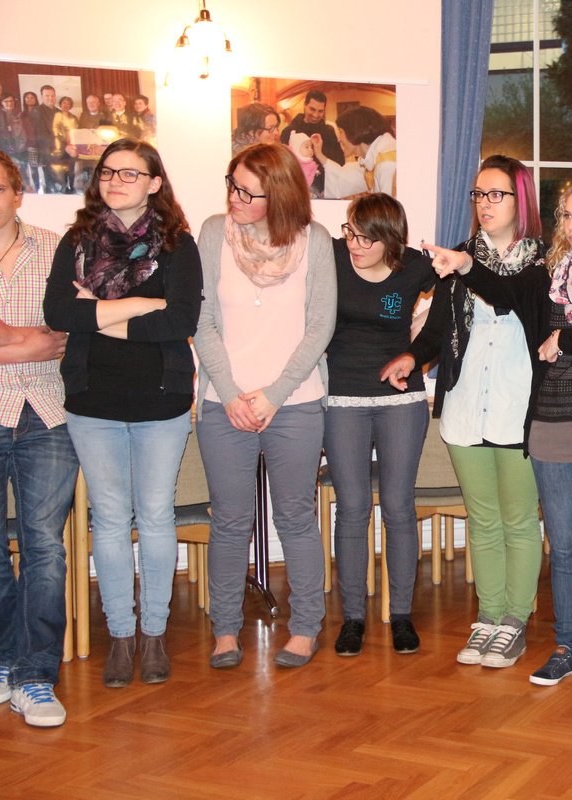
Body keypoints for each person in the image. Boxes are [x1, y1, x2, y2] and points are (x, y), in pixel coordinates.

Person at [428, 178, 572, 692]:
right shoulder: (550, 274)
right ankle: (567, 648)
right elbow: (504, 293)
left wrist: (563, 339)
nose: (571, 225)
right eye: (566, 215)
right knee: (565, 547)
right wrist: (464, 265)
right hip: (551, 425)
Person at [42, 138, 200, 688]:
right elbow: (58, 313)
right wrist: (139, 304)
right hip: (93, 398)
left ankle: (153, 634)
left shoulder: (178, 246)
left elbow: (180, 321)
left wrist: (99, 312)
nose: (115, 181)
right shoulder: (77, 242)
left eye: (130, 174)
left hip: (161, 397)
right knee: (109, 519)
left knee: (155, 516)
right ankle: (121, 636)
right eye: (109, 172)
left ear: (154, 183)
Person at [382, 155, 545, 670]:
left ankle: (515, 619)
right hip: (467, 405)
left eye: (496, 194)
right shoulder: (460, 258)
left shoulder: (544, 262)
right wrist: (414, 356)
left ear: (521, 199)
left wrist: (468, 267)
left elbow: (512, 299)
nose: (484, 203)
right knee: (484, 519)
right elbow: (438, 329)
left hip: (522, 408)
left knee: (520, 520)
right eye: (478, 194)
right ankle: (489, 616)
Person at [194, 143, 335, 670]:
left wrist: (274, 394)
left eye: (248, 192)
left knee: (296, 518)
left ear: (278, 195)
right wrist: (231, 393)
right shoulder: (214, 233)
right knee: (230, 522)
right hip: (224, 404)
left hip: (294, 403)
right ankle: (225, 630)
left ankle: (306, 627)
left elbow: (320, 326)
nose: (235, 198)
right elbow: (201, 320)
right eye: (232, 185)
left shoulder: (314, 241)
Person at [325, 194, 434, 657]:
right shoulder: (330, 255)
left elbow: (458, 295)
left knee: (398, 506)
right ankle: (353, 617)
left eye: (366, 239)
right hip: (341, 397)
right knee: (352, 508)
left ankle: (401, 615)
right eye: (350, 232)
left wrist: (420, 346)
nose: (354, 245)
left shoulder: (414, 266)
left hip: (401, 400)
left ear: (390, 240)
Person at [0, 149, 76, 727]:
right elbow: (43, 340)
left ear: (17, 193)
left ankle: (35, 676)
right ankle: (3, 660)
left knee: (44, 547)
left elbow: (69, 333)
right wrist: (26, 343)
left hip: (46, 412)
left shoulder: (54, 249)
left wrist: (14, 339)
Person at [315, 107, 395, 199]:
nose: (339, 139)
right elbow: (344, 178)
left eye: (341, 132)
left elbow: (389, 206)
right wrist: (319, 154)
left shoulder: (387, 163)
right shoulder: (372, 158)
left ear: (354, 132)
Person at [280, 90, 344, 166]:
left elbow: (340, 161)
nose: (315, 115)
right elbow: (283, 162)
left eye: (320, 111)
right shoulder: (289, 131)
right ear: (305, 105)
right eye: (312, 109)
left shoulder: (329, 131)